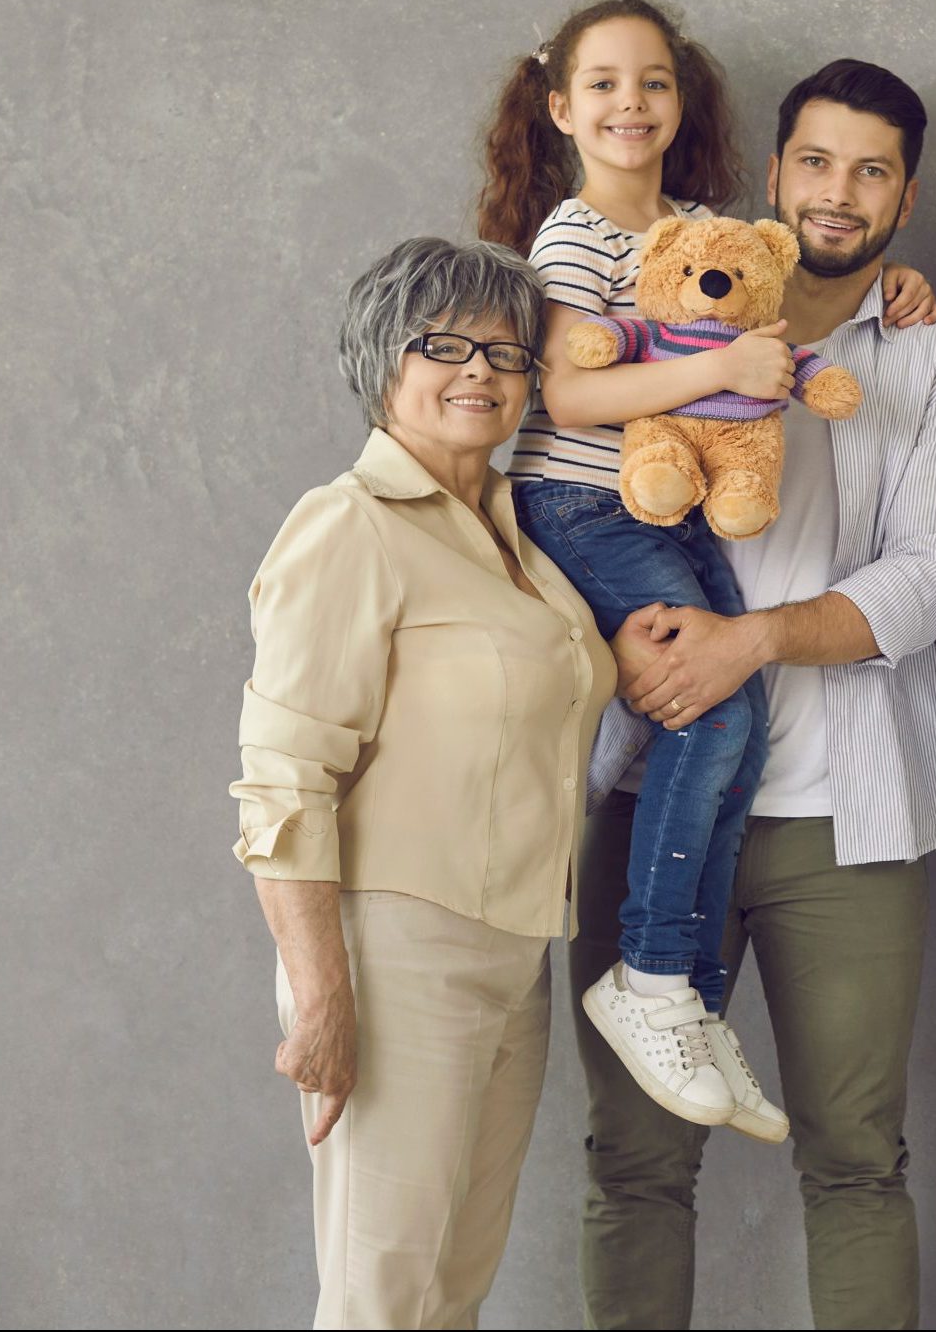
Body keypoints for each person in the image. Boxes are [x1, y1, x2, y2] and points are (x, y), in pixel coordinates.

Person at [475, 0, 936, 1143]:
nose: (630, 104)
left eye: (653, 83)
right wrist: (720, 367)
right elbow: (571, 395)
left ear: (683, 102)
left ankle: (682, 991)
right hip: (583, 499)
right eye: (603, 85)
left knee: (735, 715)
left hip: (669, 505)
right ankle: (650, 974)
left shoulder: (692, 222)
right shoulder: (571, 233)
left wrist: (893, 291)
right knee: (718, 722)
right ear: (558, 107)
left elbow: (772, 299)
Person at [582, 59, 936, 1330]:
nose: (839, 191)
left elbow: (923, 585)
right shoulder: (649, 310)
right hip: (650, 793)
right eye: (815, 161)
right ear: (771, 177)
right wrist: (635, 648)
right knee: (638, 1166)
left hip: (850, 818)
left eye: (871, 169)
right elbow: (556, 490)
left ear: (906, 194)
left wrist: (745, 644)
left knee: (857, 1160)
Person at [233, 237, 615, 1328]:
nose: (479, 372)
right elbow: (283, 783)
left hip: (515, 955)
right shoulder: (347, 526)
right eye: (442, 344)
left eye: (505, 352)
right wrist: (324, 998)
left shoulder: (520, 538)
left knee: (452, 1292)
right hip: (393, 956)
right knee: (380, 1302)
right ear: (379, 359)